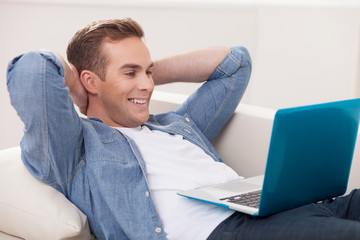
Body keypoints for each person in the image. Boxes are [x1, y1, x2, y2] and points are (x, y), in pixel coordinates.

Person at [6, 18, 360, 240]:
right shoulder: (75, 150)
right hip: (231, 231)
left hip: (284, 209)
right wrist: (78, 85)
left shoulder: (176, 124)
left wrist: (144, 71)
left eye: (147, 72)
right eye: (130, 73)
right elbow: (32, 70)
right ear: (90, 81)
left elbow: (236, 62)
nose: (146, 85)